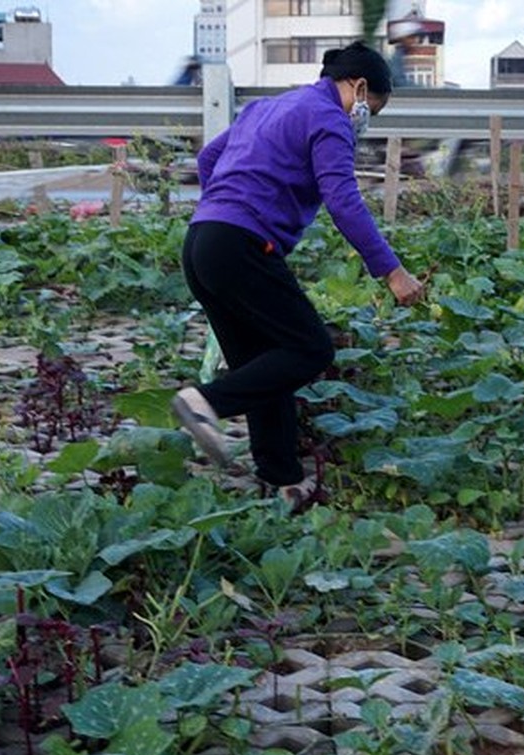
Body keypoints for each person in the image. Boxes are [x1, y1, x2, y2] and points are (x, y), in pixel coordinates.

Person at [172, 41, 424, 509]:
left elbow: (208, 158)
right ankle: (205, 402)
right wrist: (392, 272)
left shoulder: (269, 107)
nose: (367, 119)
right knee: (309, 348)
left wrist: (227, 205)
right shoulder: (329, 118)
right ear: (360, 87)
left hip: (202, 243)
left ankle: (282, 481)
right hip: (242, 246)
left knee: (266, 366)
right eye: (374, 109)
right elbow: (343, 200)